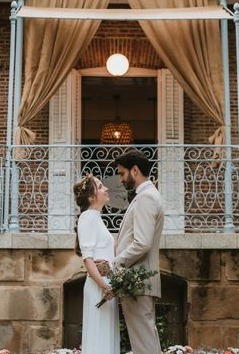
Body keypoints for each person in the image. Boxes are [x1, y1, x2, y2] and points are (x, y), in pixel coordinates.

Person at [98, 149, 164, 354]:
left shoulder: (146, 198)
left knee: (144, 345)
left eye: (121, 173)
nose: (119, 179)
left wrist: (114, 263)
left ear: (135, 170)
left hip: (138, 280)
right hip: (138, 280)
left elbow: (142, 243)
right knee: (145, 341)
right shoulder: (146, 196)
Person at [74, 173, 120, 354]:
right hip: (99, 287)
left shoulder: (96, 218)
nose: (106, 188)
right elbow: (87, 259)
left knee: (107, 336)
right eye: (101, 186)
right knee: (98, 338)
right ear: (92, 197)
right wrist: (104, 287)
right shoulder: (88, 217)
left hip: (107, 285)